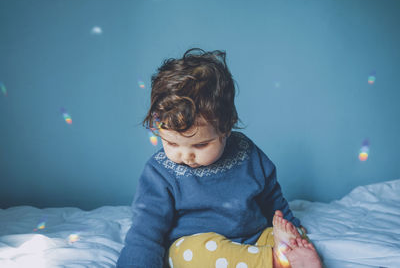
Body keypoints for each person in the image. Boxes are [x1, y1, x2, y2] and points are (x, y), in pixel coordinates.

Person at [117, 48, 322, 268]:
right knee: (192, 252)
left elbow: (271, 197)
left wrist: (289, 226)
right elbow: (145, 231)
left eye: (201, 144)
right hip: (197, 245)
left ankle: (285, 254)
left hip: (253, 238)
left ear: (226, 128)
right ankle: (275, 261)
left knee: (290, 240)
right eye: (172, 143)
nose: (186, 155)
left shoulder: (246, 152)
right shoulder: (160, 173)